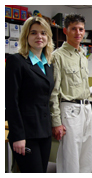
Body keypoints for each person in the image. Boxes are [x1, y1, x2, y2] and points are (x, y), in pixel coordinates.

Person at [5, 16, 54, 173]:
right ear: (26, 36)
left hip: (44, 132)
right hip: (26, 133)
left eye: (43, 33)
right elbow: (11, 102)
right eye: (34, 33)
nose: (39, 37)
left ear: (48, 37)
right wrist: (18, 135)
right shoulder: (16, 61)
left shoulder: (48, 64)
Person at [50, 14, 92, 173]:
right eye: (73, 29)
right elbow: (53, 92)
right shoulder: (58, 56)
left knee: (86, 157)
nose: (78, 32)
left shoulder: (82, 54)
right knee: (70, 158)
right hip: (69, 110)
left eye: (81, 29)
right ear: (65, 31)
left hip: (86, 109)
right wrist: (56, 122)